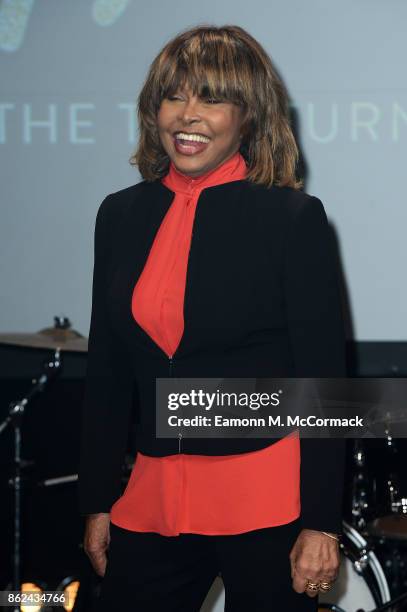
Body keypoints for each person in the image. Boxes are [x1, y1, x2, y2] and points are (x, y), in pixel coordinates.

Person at [78, 24, 347, 612]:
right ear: (154, 111)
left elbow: (327, 381)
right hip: (152, 498)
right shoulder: (120, 214)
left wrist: (323, 523)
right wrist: (97, 500)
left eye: (212, 98)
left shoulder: (292, 218)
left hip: (266, 502)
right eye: (174, 96)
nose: (187, 115)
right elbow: (107, 373)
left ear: (248, 115)